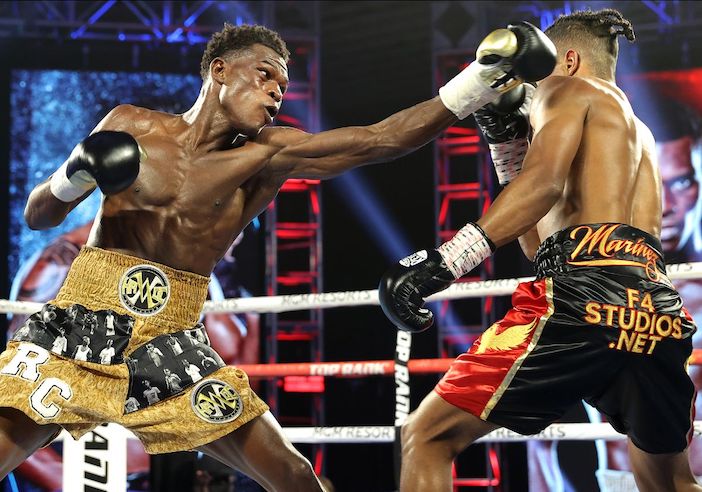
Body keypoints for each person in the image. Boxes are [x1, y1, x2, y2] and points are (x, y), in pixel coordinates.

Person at [0, 22, 555, 491]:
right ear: (218, 71)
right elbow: (37, 214)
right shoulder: (130, 125)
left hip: (169, 341)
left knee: (295, 479)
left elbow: (381, 139)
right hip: (79, 326)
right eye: (264, 75)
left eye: (283, 87)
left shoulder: (270, 155)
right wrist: (73, 178)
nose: (275, 93)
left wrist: (477, 80)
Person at [379, 9, 701, 492]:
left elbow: (543, 184)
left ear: (566, 59)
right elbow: (541, 242)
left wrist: (445, 263)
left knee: (425, 437)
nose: (534, 88)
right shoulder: (642, 135)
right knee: (669, 480)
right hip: (654, 309)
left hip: (581, 297)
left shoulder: (565, 89)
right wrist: (507, 148)